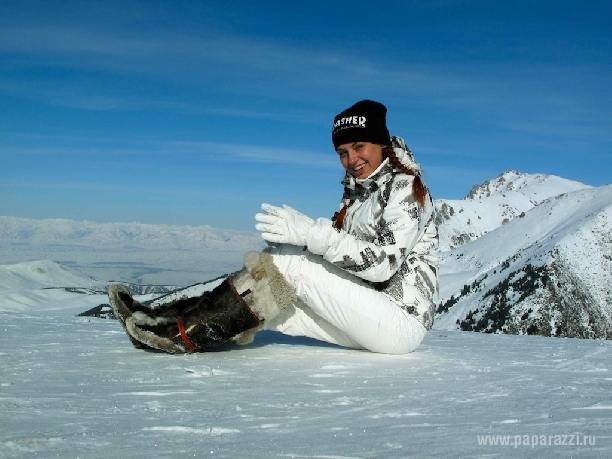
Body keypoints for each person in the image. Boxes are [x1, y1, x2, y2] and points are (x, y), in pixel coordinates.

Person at [108, 100, 438, 355]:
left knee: (290, 265)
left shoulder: (406, 189)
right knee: (272, 302)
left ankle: (177, 332)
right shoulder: (358, 196)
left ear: (381, 145)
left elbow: (383, 266)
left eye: (359, 147)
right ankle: (164, 324)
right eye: (342, 152)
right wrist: (300, 242)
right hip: (370, 316)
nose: (351, 159)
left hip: (400, 323)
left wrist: (311, 235)